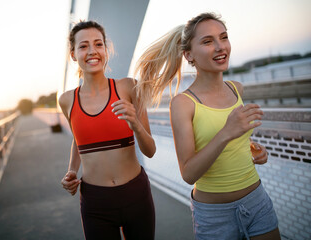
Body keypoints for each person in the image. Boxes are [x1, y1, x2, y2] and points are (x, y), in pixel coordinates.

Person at [134, 12, 280, 240]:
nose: (220, 47)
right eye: (208, 41)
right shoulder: (183, 103)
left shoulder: (236, 89)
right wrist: (227, 132)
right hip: (214, 216)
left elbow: (232, 138)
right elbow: (189, 173)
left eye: (223, 37)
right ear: (188, 55)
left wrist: (251, 146)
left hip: (257, 201)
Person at [59, 20, 156, 240]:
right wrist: (71, 171)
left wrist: (136, 124)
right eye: (83, 46)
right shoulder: (67, 100)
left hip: (136, 195)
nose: (92, 51)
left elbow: (150, 150)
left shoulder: (128, 87)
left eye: (98, 44)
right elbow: (79, 140)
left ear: (106, 49)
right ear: (73, 54)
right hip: (95, 203)